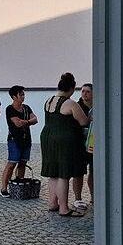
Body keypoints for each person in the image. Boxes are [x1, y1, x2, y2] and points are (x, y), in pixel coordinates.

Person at [40, 72, 90, 217]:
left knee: (53, 173)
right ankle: (63, 208)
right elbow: (83, 122)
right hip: (64, 139)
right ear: (72, 88)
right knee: (63, 173)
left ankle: (52, 203)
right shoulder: (70, 103)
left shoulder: (49, 100)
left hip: (47, 137)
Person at [0, 85, 38, 197]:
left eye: (23, 94)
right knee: (12, 163)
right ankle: (4, 187)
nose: (23, 96)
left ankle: (19, 184)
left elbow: (35, 119)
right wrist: (28, 121)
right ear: (14, 97)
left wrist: (25, 121)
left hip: (26, 139)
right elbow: (17, 123)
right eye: (20, 94)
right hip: (14, 140)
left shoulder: (26, 108)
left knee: (23, 163)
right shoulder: (10, 109)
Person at [73, 83, 94, 208]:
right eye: (83, 91)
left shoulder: (98, 106)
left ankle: (93, 196)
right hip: (80, 143)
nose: (85, 94)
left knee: (94, 170)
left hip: (93, 143)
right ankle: (78, 198)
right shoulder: (77, 106)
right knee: (79, 171)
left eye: (87, 92)